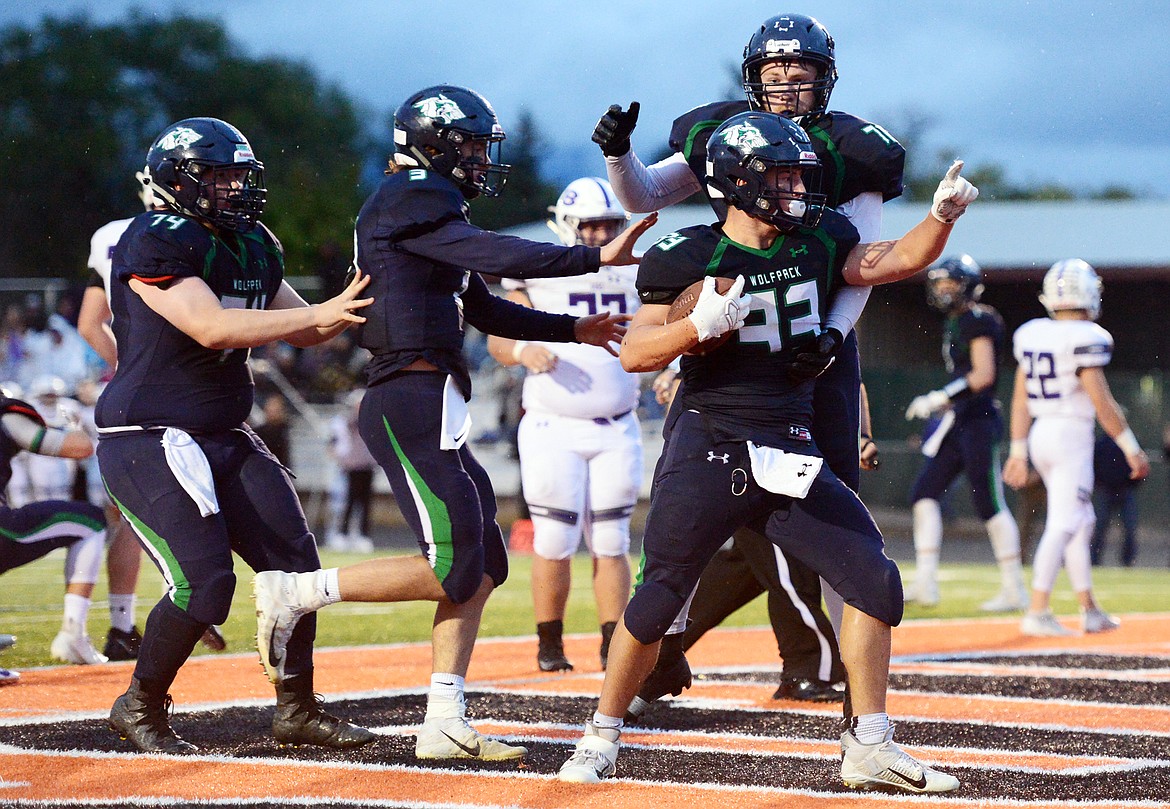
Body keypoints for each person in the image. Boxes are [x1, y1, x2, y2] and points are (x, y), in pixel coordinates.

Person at [556, 110, 975, 792]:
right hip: (711, 443)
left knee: (873, 579)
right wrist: (696, 326)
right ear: (737, 182)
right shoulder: (686, 256)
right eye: (781, 176)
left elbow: (890, 259)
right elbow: (636, 351)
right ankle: (601, 734)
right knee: (658, 596)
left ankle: (869, 743)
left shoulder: (818, 237)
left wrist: (943, 219)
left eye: (798, 175)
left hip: (788, 442)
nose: (796, 189)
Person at [252, 85, 653, 764]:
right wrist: (593, 258)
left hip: (431, 392)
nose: (477, 157)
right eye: (467, 143)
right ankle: (295, 592)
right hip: (408, 391)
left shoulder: (426, 217)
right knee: (453, 562)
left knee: (485, 560)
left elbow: (487, 305)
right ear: (430, 143)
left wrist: (572, 326)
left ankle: (443, 716)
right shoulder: (413, 194)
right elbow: (497, 256)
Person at [594, 12, 904, 714]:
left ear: (825, 77)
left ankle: (851, 695)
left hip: (812, 345)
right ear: (753, 77)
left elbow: (861, 267)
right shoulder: (725, 133)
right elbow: (645, 194)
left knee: (828, 515)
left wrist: (829, 336)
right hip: (724, 342)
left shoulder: (853, 150)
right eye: (776, 71)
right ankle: (662, 642)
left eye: (803, 71)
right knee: (688, 504)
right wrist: (619, 157)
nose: (789, 83)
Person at [96, 116, 376, 754]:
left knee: (297, 573)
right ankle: (138, 705)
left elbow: (302, 327)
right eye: (217, 175)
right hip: (150, 432)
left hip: (222, 431)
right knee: (205, 584)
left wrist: (363, 299)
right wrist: (320, 314)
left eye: (238, 175)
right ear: (177, 180)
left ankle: (297, 708)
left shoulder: (252, 242)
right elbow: (211, 327)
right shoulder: (154, 239)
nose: (232, 187)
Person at [486, 177, 641, 673]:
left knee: (614, 541)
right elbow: (497, 338)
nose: (599, 235)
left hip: (618, 423)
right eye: (590, 225)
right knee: (553, 540)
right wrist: (518, 348)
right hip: (553, 424)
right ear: (568, 226)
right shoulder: (540, 270)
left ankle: (610, 644)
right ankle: (549, 645)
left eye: (608, 225)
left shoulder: (640, 272)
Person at [77, 174, 225, 661]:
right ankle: (180, 599)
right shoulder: (192, 235)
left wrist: (131, 366)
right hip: (184, 392)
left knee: (132, 508)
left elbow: (89, 321)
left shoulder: (115, 234)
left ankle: (127, 621)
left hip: (140, 395)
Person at [1002, 259, 1148, 637]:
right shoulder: (1087, 337)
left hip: (1040, 433)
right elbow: (1102, 401)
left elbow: (1019, 399)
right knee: (1066, 522)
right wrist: (1131, 447)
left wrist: (1018, 450)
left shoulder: (1034, 333)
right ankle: (1037, 609)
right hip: (1070, 435)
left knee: (1081, 521)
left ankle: (1089, 609)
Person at [904, 255, 1026, 610]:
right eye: (939, 283)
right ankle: (926, 581)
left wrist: (941, 395)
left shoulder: (979, 319)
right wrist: (943, 403)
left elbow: (984, 374)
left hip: (979, 421)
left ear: (967, 285)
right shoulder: (956, 322)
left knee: (988, 501)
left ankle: (1013, 588)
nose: (944, 290)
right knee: (924, 493)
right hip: (958, 421)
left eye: (951, 284)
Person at [1, 384, 109, 665]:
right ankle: (74, 633)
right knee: (91, 521)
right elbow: (80, 447)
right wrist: (73, 426)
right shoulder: (8, 416)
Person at [325, 388, 377, 552]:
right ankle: (342, 534)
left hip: (367, 466)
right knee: (347, 502)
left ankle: (363, 535)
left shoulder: (371, 421)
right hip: (349, 467)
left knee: (365, 502)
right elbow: (335, 440)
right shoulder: (346, 422)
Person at [1090, 432, 1141, 566]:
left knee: (1130, 529)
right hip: (1106, 492)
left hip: (1125, 492)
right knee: (1099, 529)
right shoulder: (1101, 444)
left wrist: (1130, 484)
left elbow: (1139, 468)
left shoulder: (1130, 443)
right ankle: (1093, 561)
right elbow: (1094, 466)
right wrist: (1101, 484)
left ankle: (1127, 562)